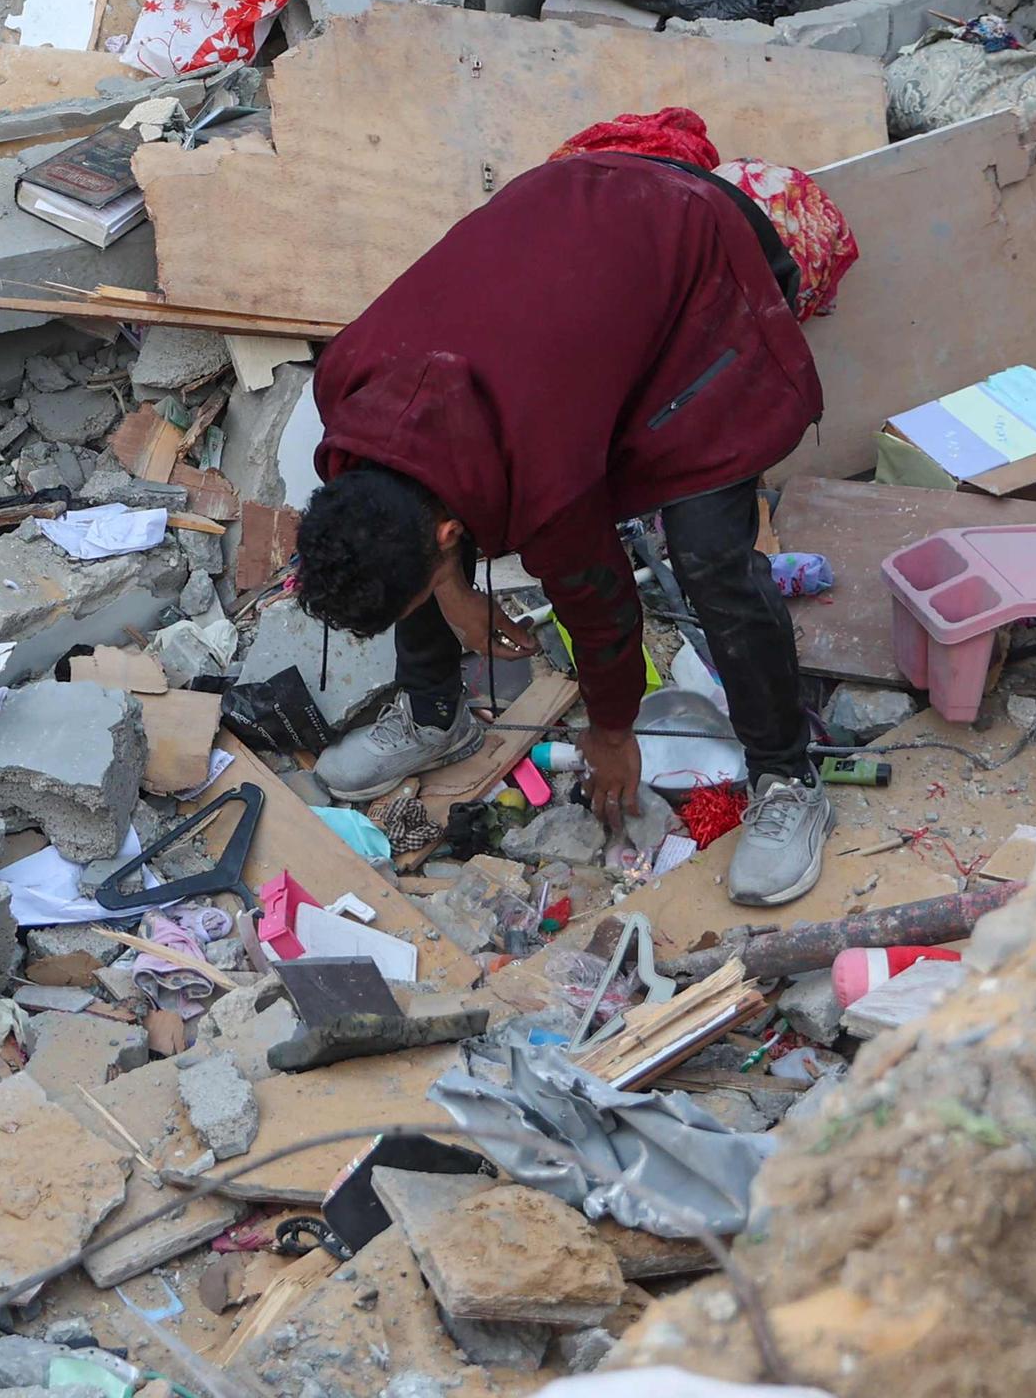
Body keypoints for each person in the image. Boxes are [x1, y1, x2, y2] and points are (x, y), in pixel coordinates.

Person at [289, 122, 854, 907]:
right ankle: (432, 712)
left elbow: (602, 610)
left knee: (707, 554)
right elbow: (400, 506)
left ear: (451, 536)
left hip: (703, 253)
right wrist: (453, 593)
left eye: (440, 569)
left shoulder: (544, 474)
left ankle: (787, 776)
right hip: (574, 262)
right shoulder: (352, 393)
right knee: (401, 528)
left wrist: (612, 734)